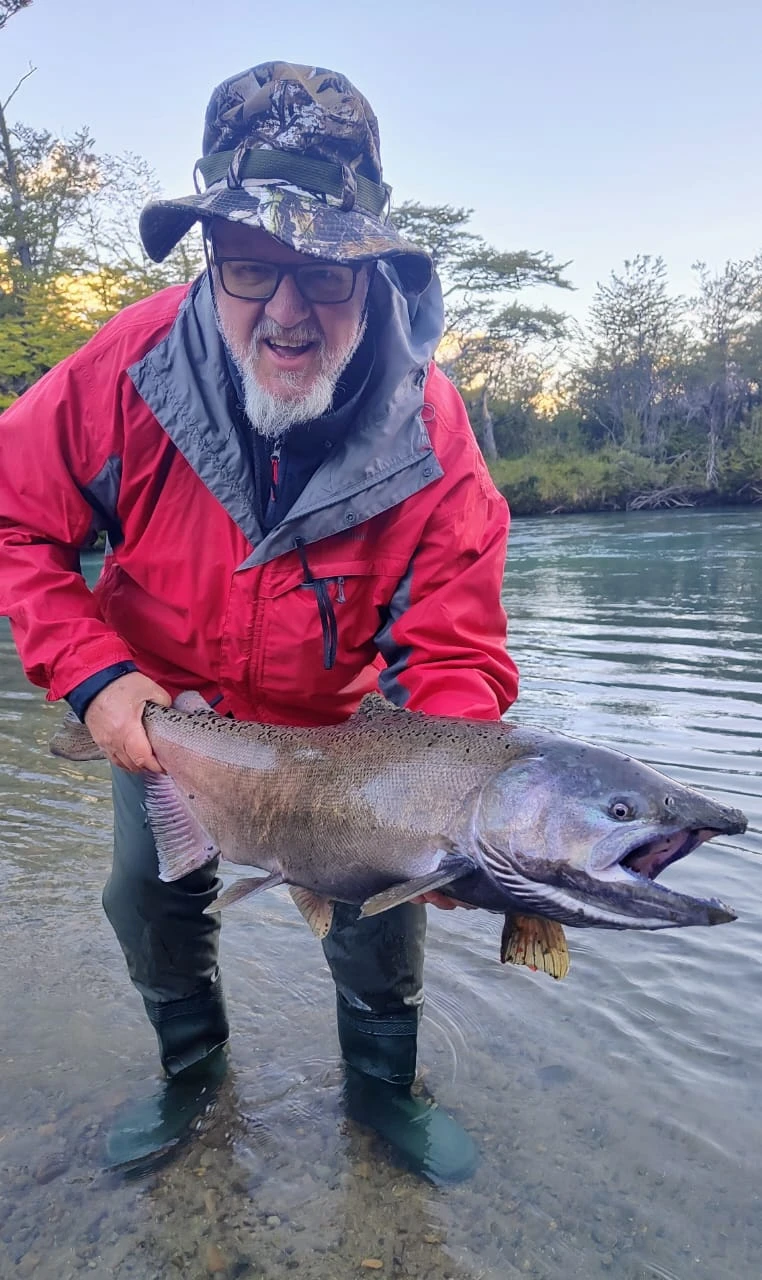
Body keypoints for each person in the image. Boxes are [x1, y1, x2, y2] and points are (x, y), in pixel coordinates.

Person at [0, 62, 518, 1181]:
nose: (286, 310)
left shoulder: (428, 430)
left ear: (371, 265)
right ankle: (195, 1076)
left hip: (349, 741)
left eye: (323, 270)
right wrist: (93, 677)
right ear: (210, 259)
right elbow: (12, 521)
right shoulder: (122, 371)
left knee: (384, 919)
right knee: (147, 895)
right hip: (164, 721)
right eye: (252, 266)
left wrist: (453, 794)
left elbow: (458, 647)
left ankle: (383, 1090)